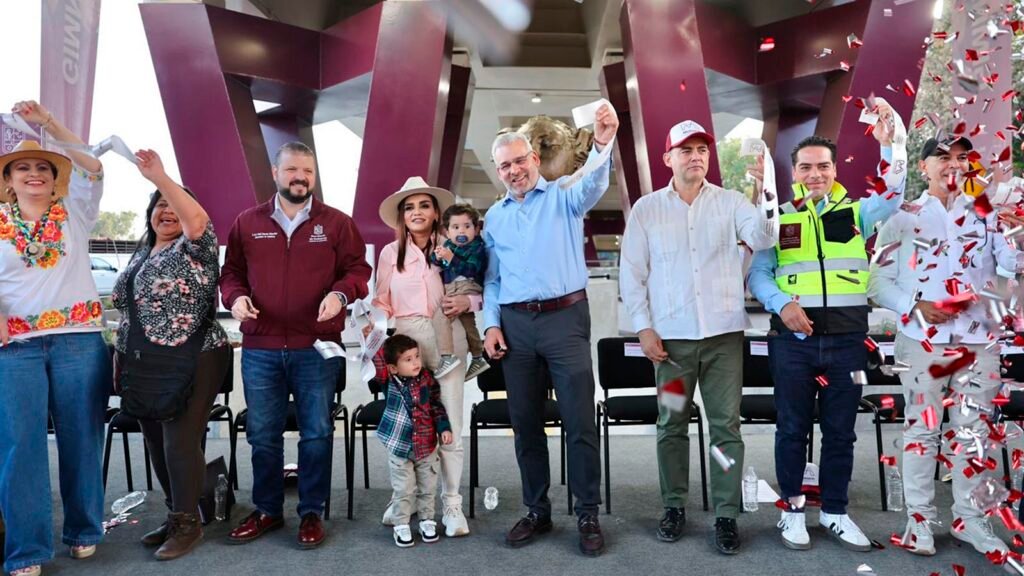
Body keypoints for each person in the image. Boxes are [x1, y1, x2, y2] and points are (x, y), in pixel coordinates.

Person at [747, 104, 905, 552]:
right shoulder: (779, 218)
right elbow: (758, 274)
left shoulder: (860, 213)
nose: (814, 174)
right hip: (793, 343)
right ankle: (793, 512)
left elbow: (895, 190)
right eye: (805, 168)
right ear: (793, 173)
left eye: (822, 167)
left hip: (850, 345)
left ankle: (835, 511)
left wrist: (891, 142)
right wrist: (783, 305)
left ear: (834, 169)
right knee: (792, 428)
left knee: (841, 430)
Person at [619, 120, 777, 554]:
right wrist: (643, 326)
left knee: (726, 427)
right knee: (671, 423)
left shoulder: (731, 204)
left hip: (724, 340)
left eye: (702, 149)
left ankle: (726, 512)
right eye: (685, 149)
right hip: (670, 348)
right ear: (667, 157)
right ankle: (674, 505)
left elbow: (764, 236)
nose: (696, 156)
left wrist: (766, 194)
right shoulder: (647, 210)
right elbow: (632, 273)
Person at [868, 136, 1020, 561]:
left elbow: (1011, 266)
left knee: (972, 435)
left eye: (962, 158)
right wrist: (915, 306)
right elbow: (877, 282)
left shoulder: (986, 212)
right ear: (923, 167)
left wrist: (1013, 231)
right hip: (922, 343)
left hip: (980, 342)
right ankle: (919, 520)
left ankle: (969, 519)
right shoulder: (901, 215)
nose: (953, 165)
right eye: (943, 158)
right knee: (923, 430)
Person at [483, 103, 619, 557]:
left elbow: (597, 181)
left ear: (535, 160)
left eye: (520, 161)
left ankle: (586, 511)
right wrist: (490, 325)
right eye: (505, 165)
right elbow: (493, 279)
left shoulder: (565, 194)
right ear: (498, 171)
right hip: (516, 326)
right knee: (525, 424)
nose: (514, 170)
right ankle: (537, 509)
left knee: (580, 420)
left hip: (565, 319)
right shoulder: (495, 218)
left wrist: (602, 141)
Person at [220, 141, 371, 549]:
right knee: (263, 433)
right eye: (291, 170)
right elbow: (230, 272)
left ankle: (311, 512)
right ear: (275, 173)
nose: (300, 177)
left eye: (307, 171)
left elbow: (358, 270)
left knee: (318, 432)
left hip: (317, 346)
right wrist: (234, 298)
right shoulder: (246, 222)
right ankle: (267, 510)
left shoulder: (337, 223)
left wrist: (340, 294)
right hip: (261, 348)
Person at [0, 100, 109, 576]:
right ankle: (27, 550)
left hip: (79, 341)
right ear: (9, 180)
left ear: (54, 177)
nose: (33, 174)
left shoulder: (76, 211)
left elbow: (93, 165)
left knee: (81, 438)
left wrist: (47, 124)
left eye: (41, 167)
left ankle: (84, 529)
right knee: (19, 446)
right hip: (16, 349)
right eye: (22, 168)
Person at [110, 149, 232, 560]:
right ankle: (176, 511)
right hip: (144, 364)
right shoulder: (142, 254)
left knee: (180, 439)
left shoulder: (196, 247)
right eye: (158, 205)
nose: (166, 210)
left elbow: (195, 220)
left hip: (193, 357)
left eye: (174, 203)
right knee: (156, 442)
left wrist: (161, 179)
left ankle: (189, 524)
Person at [372, 176, 473, 538]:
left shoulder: (454, 246)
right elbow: (381, 299)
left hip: (447, 335)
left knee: (450, 425)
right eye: (410, 206)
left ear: (435, 212)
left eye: (424, 205)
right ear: (402, 215)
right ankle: (408, 499)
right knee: (408, 423)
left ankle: (451, 503)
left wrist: (468, 301)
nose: (417, 212)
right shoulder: (389, 253)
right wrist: (375, 328)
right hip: (404, 341)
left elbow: (475, 287)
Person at [370, 334, 453, 547]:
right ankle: (401, 524)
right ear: (394, 368)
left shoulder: (427, 378)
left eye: (416, 356)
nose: (416, 362)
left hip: (426, 445)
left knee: (428, 486)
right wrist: (372, 337)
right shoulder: (390, 382)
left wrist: (444, 427)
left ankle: (427, 521)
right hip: (400, 446)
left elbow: (435, 405)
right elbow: (378, 363)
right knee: (404, 488)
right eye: (408, 359)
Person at [428, 203, 489, 380]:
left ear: (476, 229)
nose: (461, 231)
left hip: (467, 286)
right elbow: (438, 263)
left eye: (467, 226)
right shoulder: (448, 245)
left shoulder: (477, 247)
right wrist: (438, 256)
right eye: (455, 227)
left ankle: (447, 356)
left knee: (440, 317)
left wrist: (451, 258)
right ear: (447, 232)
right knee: (468, 323)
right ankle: (478, 357)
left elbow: (472, 270)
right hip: (452, 287)